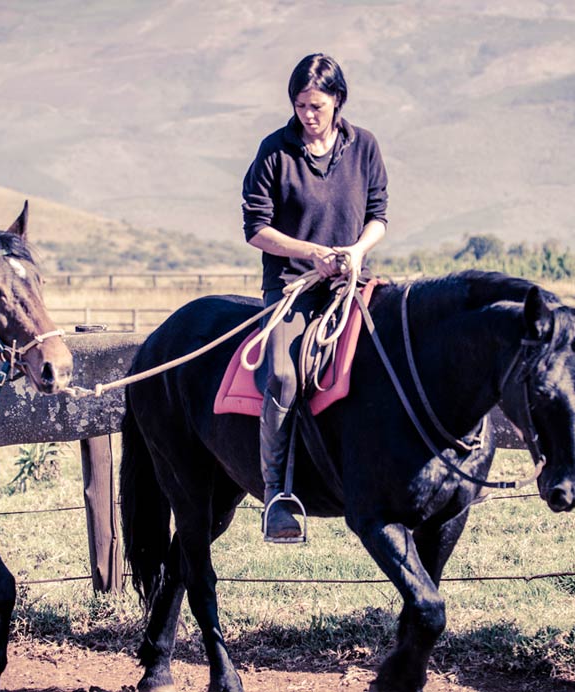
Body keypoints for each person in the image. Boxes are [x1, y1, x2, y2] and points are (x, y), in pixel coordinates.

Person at [241, 53, 388, 540]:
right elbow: (257, 229)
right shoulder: (274, 152)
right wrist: (312, 253)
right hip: (292, 290)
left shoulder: (364, 146)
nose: (308, 114)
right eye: (301, 104)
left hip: (351, 284)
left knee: (398, 356)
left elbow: (378, 216)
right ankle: (275, 496)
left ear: (338, 101)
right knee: (282, 375)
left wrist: (355, 251)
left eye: (317, 105)